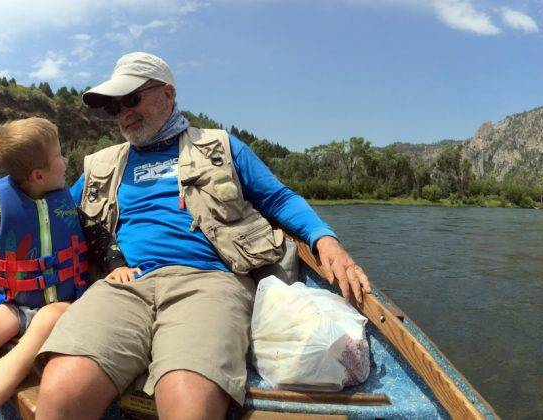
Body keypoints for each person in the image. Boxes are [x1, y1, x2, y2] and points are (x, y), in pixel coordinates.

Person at [25, 52, 372, 419]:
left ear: (168, 94)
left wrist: (324, 239)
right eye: (114, 107)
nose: (123, 112)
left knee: (188, 404)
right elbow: (50, 214)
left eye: (132, 99)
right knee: (61, 394)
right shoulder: (102, 164)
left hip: (210, 282)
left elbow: (279, 198)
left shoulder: (222, 146)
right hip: (123, 282)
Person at [0, 117, 138, 420]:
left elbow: (100, 237)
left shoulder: (68, 209)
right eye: (60, 154)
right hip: (14, 304)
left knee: (41, 326)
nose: (66, 159)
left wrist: (117, 265)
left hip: (62, 304)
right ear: (38, 175)